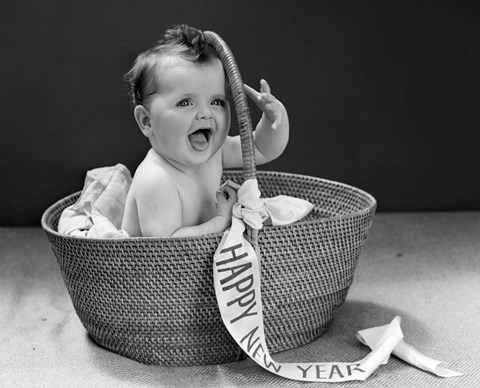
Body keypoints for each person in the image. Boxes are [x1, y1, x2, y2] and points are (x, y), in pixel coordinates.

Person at [121, 25, 289, 237]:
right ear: (147, 121)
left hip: (198, 261)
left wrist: (275, 120)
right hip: (150, 267)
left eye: (217, 101)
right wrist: (222, 220)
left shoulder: (214, 152)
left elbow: (261, 148)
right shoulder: (156, 179)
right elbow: (165, 248)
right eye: (185, 103)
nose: (206, 113)